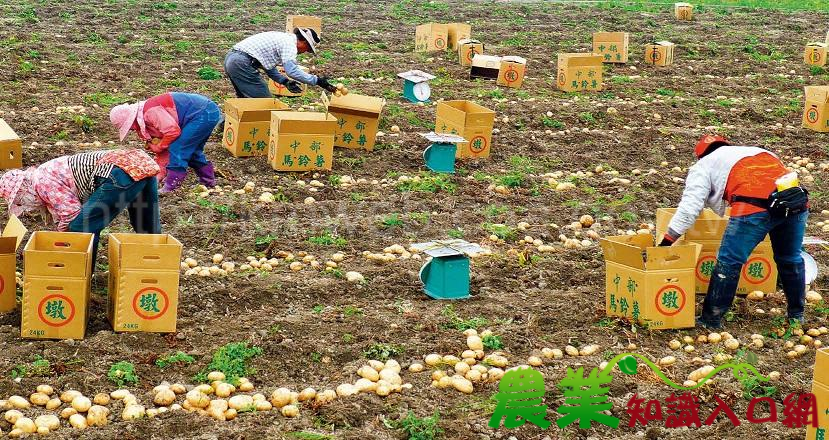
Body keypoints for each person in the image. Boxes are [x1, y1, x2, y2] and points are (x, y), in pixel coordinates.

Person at [660, 135, 809, 329]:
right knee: (790, 257)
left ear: (701, 155)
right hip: (796, 203)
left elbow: (689, 208)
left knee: (729, 261)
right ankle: (797, 315)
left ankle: (711, 320)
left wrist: (667, 241)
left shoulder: (703, 165)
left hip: (754, 207)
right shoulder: (757, 151)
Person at [0, 149, 161, 266]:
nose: (27, 208)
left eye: (21, 202)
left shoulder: (41, 181)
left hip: (118, 172)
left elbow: (71, 215)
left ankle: (80, 275)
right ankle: (159, 263)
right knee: (146, 224)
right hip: (140, 163)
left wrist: (61, 240)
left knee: (81, 226)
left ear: (23, 189)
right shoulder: (44, 173)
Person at [110, 92, 221, 193]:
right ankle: (208, 181)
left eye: (129, 126)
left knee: (178, 147)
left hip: (203, 112)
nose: (132, 129)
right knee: (192, 150)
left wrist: (160, 146)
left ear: (132, 119)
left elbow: (172, 132)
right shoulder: (146, 119)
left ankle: (172, 184)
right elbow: (164, 151)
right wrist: (157, 177)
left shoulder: (150, 112)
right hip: (204, 113)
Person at [224, 27, 339, 98]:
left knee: (245, 99)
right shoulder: (290, 44)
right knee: (264, 102)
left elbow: (269, 68)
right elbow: (292, 71)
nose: (305, 52)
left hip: (233, 59)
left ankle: (229, 125)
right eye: (307, 49)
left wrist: (285, 81)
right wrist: (317, 81)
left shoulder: (283, 39)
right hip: (241, 63)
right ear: (303, 41)